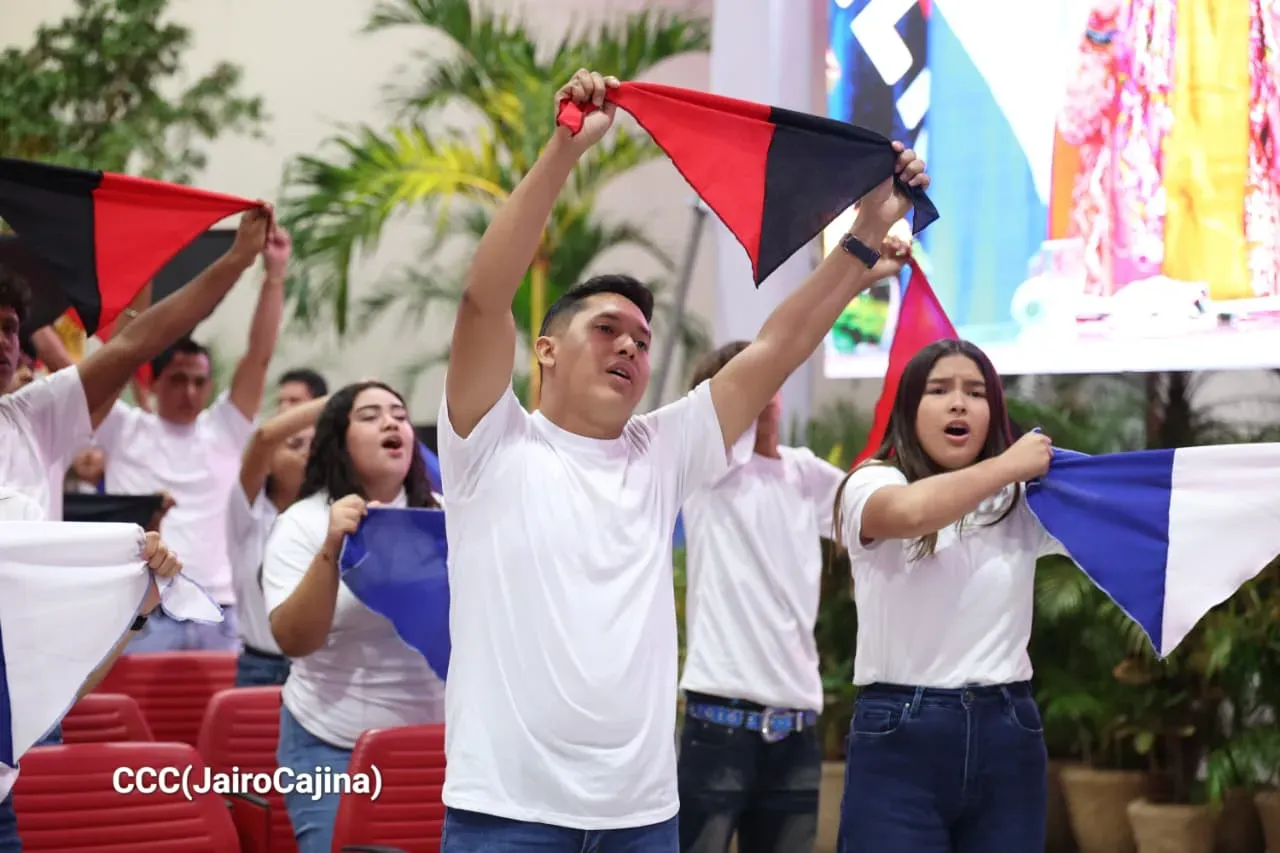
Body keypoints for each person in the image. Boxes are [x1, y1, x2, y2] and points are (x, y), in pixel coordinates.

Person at [435, 67, 927, 851]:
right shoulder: (491, 442)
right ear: (546, 350)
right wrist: (565, 150)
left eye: (642, 339)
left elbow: (779, 346)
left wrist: (866, 230)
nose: (630, 346)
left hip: (641, 817)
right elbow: (482, 300)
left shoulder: (661, 450)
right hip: (507, 812)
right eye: (607, 329)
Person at [832, 338, 1060, 851]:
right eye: (939, 390)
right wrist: (1008, 465)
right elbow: (910, 513)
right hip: (899, 735)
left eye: (976, 393)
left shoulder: (1021, 500)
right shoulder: (872, 481)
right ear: (909, 407)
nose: (959, 403)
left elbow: (1125, 516)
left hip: (1008, 729)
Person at [676, 341, 852, 853]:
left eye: (771, 378)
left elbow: (883, 514)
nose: (767, 393)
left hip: (796, 730)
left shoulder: (805, 473)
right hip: (719, 725)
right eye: (750, 381)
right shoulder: (709, 469)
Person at [262, 381, 445, 853]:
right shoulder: (302, 523)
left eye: (399, 415)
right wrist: (332, 547)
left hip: (437, 746)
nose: (390, 423)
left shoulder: (445, 519)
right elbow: (294, 640)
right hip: (330, 743)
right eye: (370, 416)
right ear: (339, 441)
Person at [94, 225, 292, 652]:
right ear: (154, 381)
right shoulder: (122, 427)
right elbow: (116, 356)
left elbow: (259, 357)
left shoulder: (224, 428)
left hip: (217, 608)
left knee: (225, 702)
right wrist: (140, 268)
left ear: (209, 385)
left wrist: (275, 275)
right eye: (177, 379)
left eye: (198, 381)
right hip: (143, 610)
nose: (189, 391)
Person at [228, 392, 328, 687]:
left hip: (319, 668)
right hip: (261, 667)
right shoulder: (248, 512)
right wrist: (347, 398)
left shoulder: (330, 513)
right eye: (295, 445)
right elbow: (264, 437)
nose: (308, 453)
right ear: (268, 463)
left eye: (315, 446)